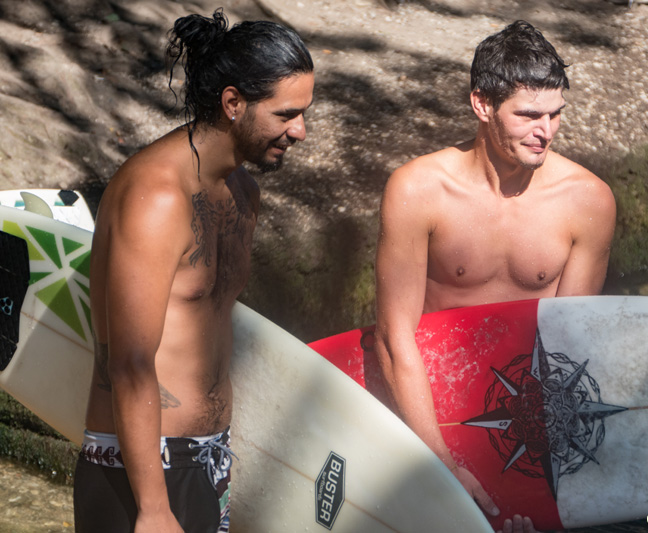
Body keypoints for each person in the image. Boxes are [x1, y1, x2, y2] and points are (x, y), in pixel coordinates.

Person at [73, 9, 314, 533]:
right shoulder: (156, 196)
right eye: (286, 114)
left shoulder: (243, 192)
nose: (301, 131)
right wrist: (154, 509)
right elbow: (129, 362)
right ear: (233, 104)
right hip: (138, 472)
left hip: (208, 460)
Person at [374, 20, 616, 533]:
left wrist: (531, 483)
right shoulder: (418, 191)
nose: (544, 131)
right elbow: (395, 336)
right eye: (528, 115)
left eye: (555, 115)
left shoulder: (587, 201)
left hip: (524, 425)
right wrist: (438, 463)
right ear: (482, 105)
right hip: (428, 411)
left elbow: (569, 352)